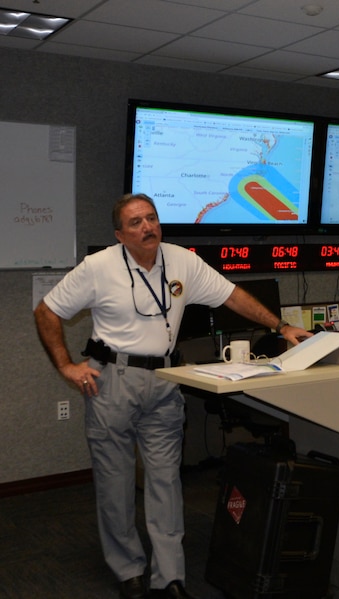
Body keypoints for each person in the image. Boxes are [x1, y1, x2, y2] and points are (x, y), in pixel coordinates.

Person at [34, 194, 312, 599]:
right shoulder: (98, 267)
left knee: (166, 482)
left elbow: (232, 295)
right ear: (119, 234)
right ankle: (128, 569)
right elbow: (47, 311)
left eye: (152, 218)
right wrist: (65, 366)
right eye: (135, 222)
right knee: (115, 483)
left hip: (164, 380)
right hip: (112, 379)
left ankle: (169, 578)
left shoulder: (182, 260)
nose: (147, 227)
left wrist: (282, 326)